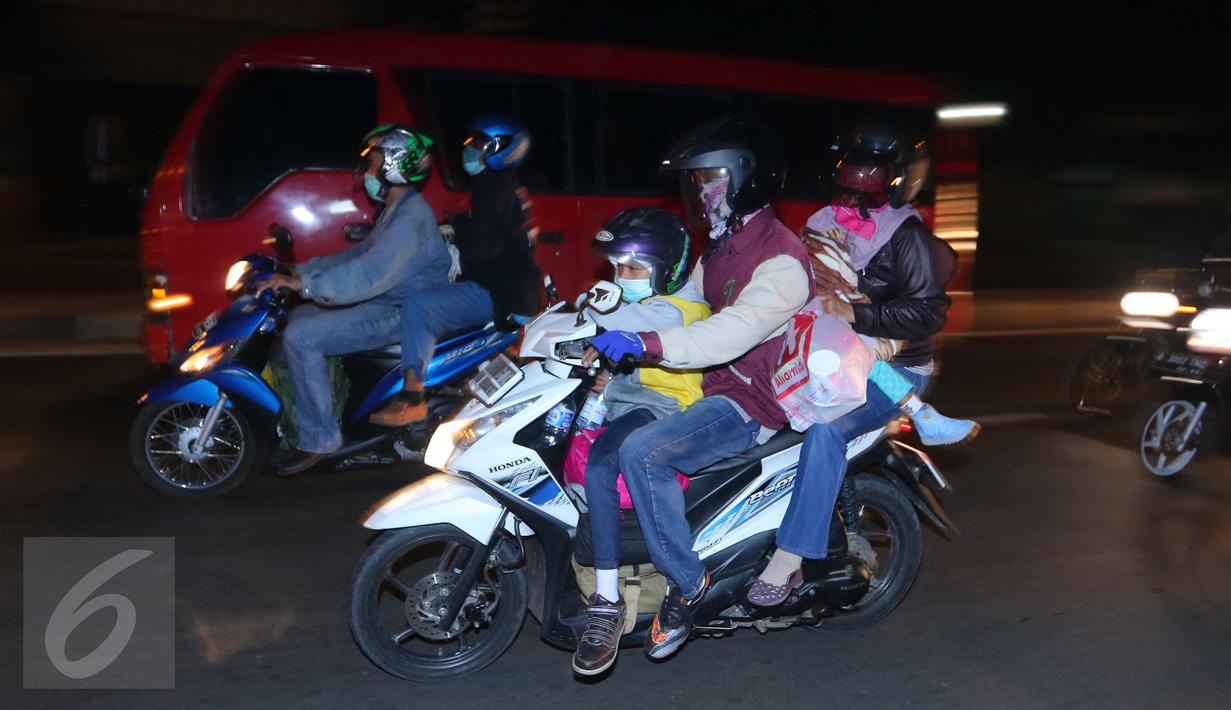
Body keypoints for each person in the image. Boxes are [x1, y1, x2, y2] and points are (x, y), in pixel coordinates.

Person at [583, 118, 814, 662]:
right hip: (712, 389)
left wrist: (649, 344)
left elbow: (726, 333)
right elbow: (679, 300)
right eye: (696, 180)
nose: (700, 190)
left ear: (744, 179)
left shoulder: (781, 260)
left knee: (645, 453)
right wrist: (601, 317)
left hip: (750, 402)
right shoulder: (721, 247)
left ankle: (689, 585)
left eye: (709, 178)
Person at [747, 124, 958, 606]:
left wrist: (858, 312)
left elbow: (929, 312)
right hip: (830, 352)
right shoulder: (824, 221)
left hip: (895, 364)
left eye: (871, 170)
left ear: (896, 177)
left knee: (826, 430)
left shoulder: (908, 237)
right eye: (851, 167)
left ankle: (790, 558)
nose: (858, 178)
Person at [259, 124, 451, 475]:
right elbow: (357, 256)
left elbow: (370, 274)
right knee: (299, 320)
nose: (368, 172)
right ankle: (330, 402)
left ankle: (320, 439)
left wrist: (304, 285)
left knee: (302, 337)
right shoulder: (397, 209)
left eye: (375, 162)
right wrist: (298, 272)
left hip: (401, 312)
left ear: (394, 166)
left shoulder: (411, 218)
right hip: (389, 303)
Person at [570, 207, 710, 676]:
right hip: (627, 400)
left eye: (632, 269)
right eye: (616, 268)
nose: (621, 277)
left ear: (666, 268)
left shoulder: (678, 307)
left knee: (601, 464)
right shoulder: (646, 300)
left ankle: (606, 602)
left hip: (662, 408)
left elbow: (627, 317)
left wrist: (590, 313)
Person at [370, 116, 541, 426]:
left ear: (502, 150)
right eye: (471, 143)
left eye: (479, 145)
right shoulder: (505, 186)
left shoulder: (494, 189)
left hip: (500, 293)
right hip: (513, 288)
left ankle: (411, 397)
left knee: (418, 305)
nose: (470, 151)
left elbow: (478, 249)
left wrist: (456, 229)